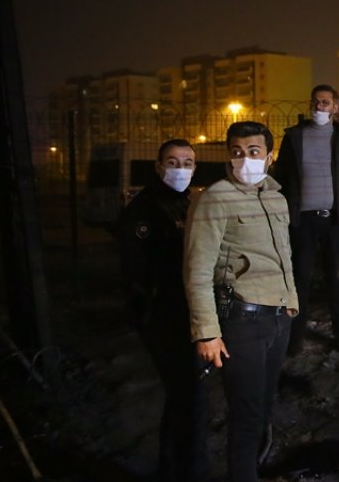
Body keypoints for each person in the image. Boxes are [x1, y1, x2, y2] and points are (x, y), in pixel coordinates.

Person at [185, 121, 297, 482]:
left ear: (269, 155)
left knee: (263, 409)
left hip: (278, 319)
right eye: (236, 152)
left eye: (253, 152)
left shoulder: (277, 198)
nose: (244, 159)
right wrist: (206, 333)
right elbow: (197, 270)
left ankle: (256, 471)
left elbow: (285, 257)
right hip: (242, 321)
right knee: (246, 416)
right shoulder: (216, 198)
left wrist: (290, 307)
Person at [117, 139, 209, 482]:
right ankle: (187, 471)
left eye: (187, 162)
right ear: (158, 167)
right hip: (163, 315)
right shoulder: (144, 210)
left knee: (185, 396)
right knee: (191, 396)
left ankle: (174, 468)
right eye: (173, 162)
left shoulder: (188, 203)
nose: (180, 168)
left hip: (185, 310)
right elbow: (138, 272)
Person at [272, 84, 339, 354]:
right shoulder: (295, 137)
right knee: (300, 277)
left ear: (336, 107)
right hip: (302, 220)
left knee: (336, 277)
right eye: (316, 102)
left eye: (326, 102)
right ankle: (295, 339)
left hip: (334, 221)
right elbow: (281, 174)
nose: (320, 107)